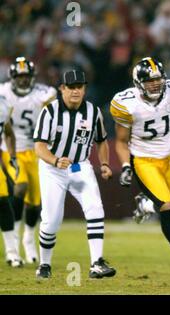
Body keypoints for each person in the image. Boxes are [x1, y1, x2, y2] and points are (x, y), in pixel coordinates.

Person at [110, 57, 170, 279]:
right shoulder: (127, 103)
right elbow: (120, 141)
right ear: (138, 83)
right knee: (166, 206)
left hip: (169, 160)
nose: (155, 85)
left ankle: (146, 202)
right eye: (149, 81)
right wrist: (126, 165)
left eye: (158, 80)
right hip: (144, 161)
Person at [33, 70, 115, 279]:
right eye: (71, 87)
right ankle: (44, 264)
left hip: (80, 166)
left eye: (80, 86)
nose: (76, 91)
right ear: (62, 89)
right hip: (53, 169)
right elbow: (39, 146)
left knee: (95, 207)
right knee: (51, 220)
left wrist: (104, 163)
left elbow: (102, 140)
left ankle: (97, 262)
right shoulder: (50, 111)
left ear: (85, 88)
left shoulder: (92, 111)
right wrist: (54, 160)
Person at [0, 57, 57, 264]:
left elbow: (54, 111)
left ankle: (28, 238)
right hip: (11, 149)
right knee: (20, 186)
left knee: (35, 202)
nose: (23, 81)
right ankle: (13, 236)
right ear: (13, 77)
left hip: (36, 150)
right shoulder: (3, 93)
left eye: (27, 76)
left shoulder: (44, 94)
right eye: (20, 76)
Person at [0, 94, 21, 267]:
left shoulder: (3, 105)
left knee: (3, 203)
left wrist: (12, 157)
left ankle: (12, 252)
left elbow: (8, 132)